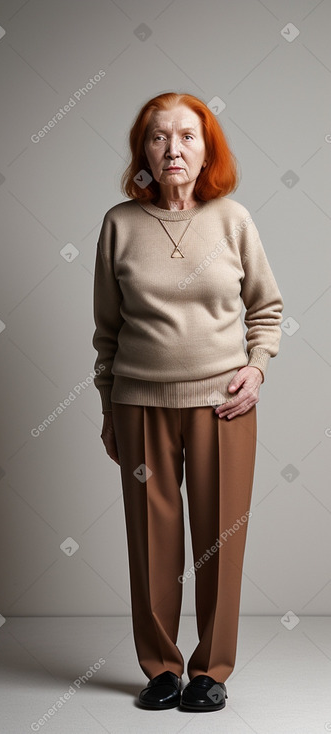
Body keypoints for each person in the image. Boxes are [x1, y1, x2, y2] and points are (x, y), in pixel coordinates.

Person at [92, 92, 283, 712]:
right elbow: (108, 331)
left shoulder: (233, 219)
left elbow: (267, 309)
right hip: (139, 403)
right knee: (151, 540)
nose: (173, 149)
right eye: (158, 137)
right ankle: (161, 669)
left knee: (219, 538)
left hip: (222, 405)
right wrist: (106, 406)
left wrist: (256, 371)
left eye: (187, 136)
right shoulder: (119, 223)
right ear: (142, 150)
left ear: (207, 150)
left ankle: (211, 670)